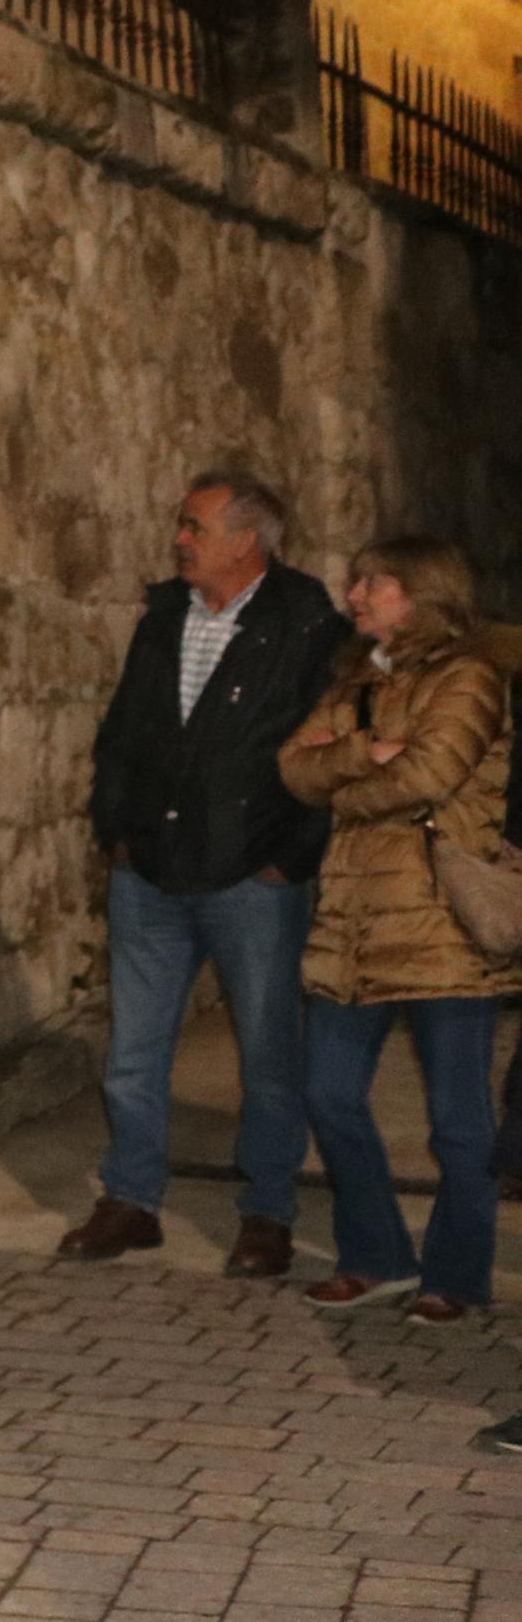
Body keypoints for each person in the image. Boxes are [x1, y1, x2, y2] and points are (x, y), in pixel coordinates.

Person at [64, 472, 348, 1274]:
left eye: (193, 526)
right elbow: (122, 730)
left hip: (249, 876)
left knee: (265, 1051)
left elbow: (325, 753)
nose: (179, 538)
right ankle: (130, 1199)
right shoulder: (162, 616)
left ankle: (266, 1211)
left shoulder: (304, 624)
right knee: (134, 1048)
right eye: (181, 524)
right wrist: (114, 828)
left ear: (245, 540)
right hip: (149, 868)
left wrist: (285, 857)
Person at [276, 536, 516, 1323]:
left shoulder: (469, 676)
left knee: (456, 1124)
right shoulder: (354, 680)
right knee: (327, 1092)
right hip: (350, 926)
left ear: (419, 591)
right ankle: (376, 1254)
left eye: (370, 583)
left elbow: (429, 773)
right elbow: (289, 766)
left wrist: (342, 785)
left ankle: (456, 1274)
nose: (354, 595)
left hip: (441, 928)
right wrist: (360, 749)